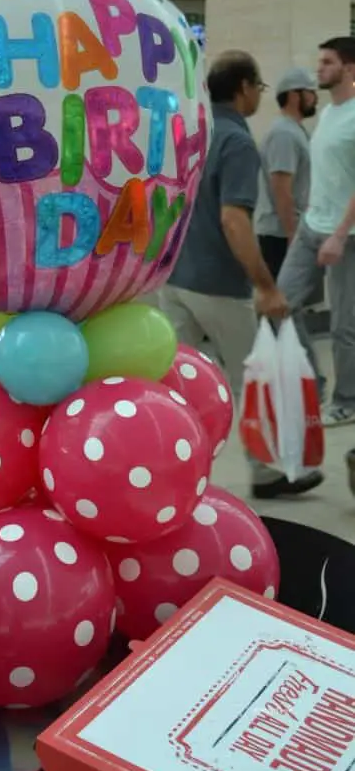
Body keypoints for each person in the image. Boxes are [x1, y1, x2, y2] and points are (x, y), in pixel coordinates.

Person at [160, 49, 322, 499]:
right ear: (245, 87)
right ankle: (266, 471)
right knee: (250, 378)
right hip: (218, 282)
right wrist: (265, 285)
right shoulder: (236, 141)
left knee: (177, 383)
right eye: (259, 88)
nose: (259, 97)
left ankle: (170, 469)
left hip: (176, 278)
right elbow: (235, 220)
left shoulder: (190, 132)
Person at [277, 37, 355, 428]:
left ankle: (347, 401)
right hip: (312, 226)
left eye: (327, 62)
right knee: (278, 305)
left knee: (344, 326)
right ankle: (315, 383)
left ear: (350, 69)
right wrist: (309, 216)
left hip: (348, 235)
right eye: (319, 60)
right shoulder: (327, 115)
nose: (319, 69)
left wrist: (340, 234)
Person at [255, 68, 318, 276]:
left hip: (292, 233)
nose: (315, 97)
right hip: (281, 236)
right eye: (310, 91)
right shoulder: (284, 134)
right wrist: (293, 235)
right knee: (283, 301)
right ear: (294, 95)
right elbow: (281, 188)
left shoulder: (294, 130)